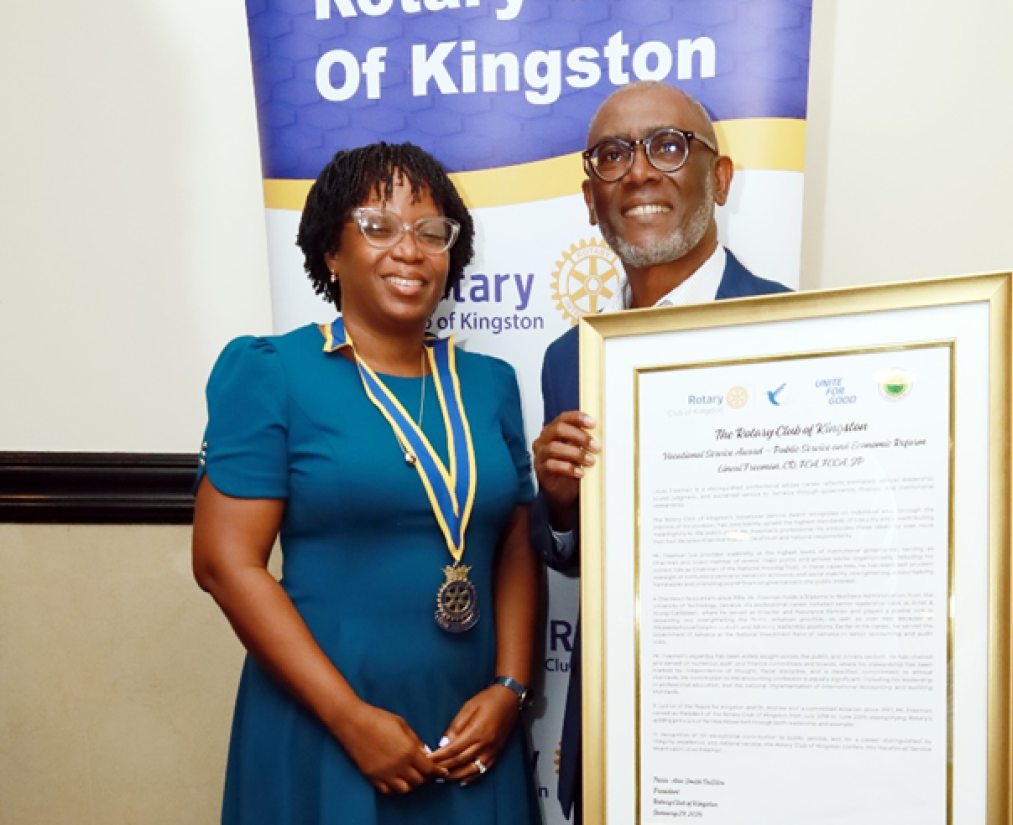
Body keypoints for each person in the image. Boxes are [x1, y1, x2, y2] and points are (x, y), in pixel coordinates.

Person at [193, 142, 542, 825]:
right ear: (331, 249)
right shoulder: (272, 371)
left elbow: (515, 547)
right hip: (326, 723)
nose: (408, 248)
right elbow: (224, 563)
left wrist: (510, 686)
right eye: (377, 226)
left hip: (471, 730)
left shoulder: (490, 384)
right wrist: (349, 717)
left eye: (431, 230)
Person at [530, 81, 790, 821]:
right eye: (612, 155)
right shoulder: (564, 359)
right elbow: (572, 554)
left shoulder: (793, 331)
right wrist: (558, 501)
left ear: (722, 176)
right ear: (590, 198)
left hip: (759, 735)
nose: (639, 172)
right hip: (619, 739)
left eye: (667, 146)